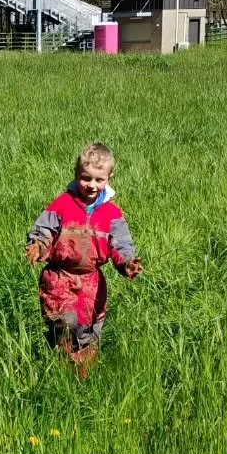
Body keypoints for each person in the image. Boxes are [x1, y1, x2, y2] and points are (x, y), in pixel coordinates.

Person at [25, 142, 142, 377]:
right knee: (65, 322)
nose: (92, 185)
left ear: (109, 178)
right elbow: (43, 231)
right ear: (77, 174)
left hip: (92, 284)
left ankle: (83, 379)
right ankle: (58, 368)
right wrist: (37, 246)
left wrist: (127, 263)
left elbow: (121, 245)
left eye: (99, 180)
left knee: (88, 332)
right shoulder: (62, 205)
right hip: (59, 279)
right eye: (86, 178)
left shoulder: (112, 214)